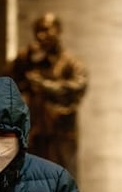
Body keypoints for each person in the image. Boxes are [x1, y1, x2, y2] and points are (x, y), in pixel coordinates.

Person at [7, 13, 87, 176]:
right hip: (35, 133)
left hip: (61, 133)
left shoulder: (70, 64)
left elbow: (76, 87)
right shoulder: (28, 59)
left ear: (58, 31)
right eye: (38, 31)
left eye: (46, 30)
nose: (42, 35)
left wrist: (45, 85)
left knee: (64, 181)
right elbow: (9, 84)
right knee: (35, 180)